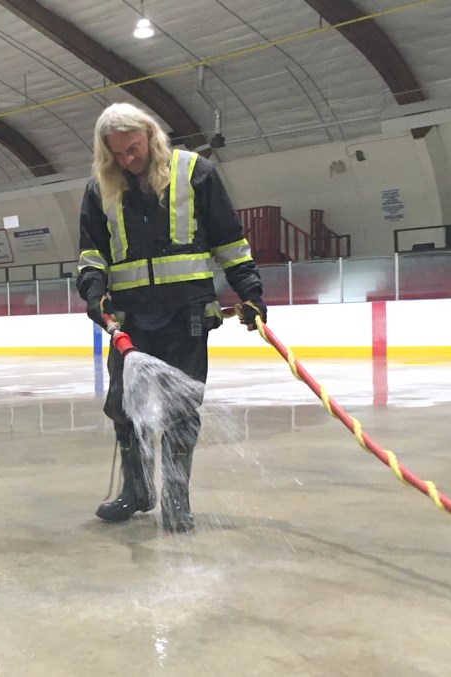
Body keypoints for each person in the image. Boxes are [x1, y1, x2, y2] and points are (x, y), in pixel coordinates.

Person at [76, 102, 267, 532]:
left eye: (134, 147)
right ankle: (137, 491)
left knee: (182, 410)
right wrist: (93, 292)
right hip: (130, 320)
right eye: (118, 153)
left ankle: (176, 501)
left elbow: (229, 241)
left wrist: (249, 292)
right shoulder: (100, 188)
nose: (129, 159)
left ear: (150, 134)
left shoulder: (196, 172)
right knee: (125, 409)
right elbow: (92, 253)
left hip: (187, 317)